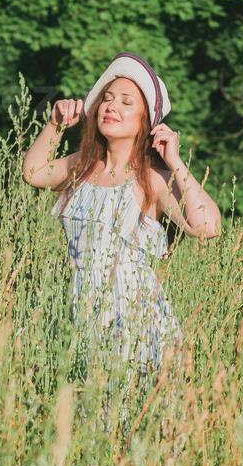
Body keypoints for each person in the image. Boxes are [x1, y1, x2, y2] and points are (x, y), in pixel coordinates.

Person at [21, 52, 221, 392]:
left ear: (146, 120)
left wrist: (174, 162)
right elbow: (34, 172)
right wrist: (54, 125)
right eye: (107, 99)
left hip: (136, 322)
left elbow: (208, 227)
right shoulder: (82, 168)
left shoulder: (152, 179)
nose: (111, 107)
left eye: (126, 102)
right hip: (80, 313)